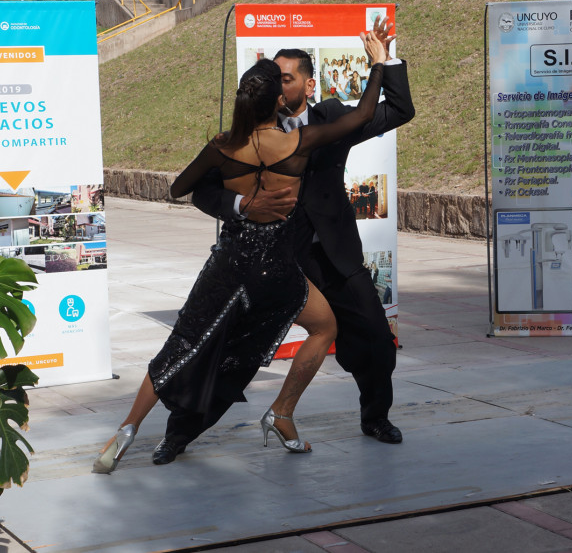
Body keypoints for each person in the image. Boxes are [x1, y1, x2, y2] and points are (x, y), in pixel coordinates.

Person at [92, 32, 389, 474]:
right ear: (275, 103)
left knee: (181, 346)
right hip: (276, 270)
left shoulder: (222, 146)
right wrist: (379, 62)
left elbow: (178, 188)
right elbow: (365, 112)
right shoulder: (297, 143)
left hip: (229, 264)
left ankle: (128, 429)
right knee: (325, 328)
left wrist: (239, 204)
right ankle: (282, 411)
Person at [179, 15, 415, 464]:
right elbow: (203, 189)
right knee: (230, 352)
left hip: (335, 256)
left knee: (376, 341)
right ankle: (181, 433)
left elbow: (398, 111)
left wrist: (387, 62)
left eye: (286, 79)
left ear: (308, 86)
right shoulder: (244, 136)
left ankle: (375, 416)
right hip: (273, 261)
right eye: (273, 78)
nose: (278, 86)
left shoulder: (332, 119)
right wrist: (240, 207)